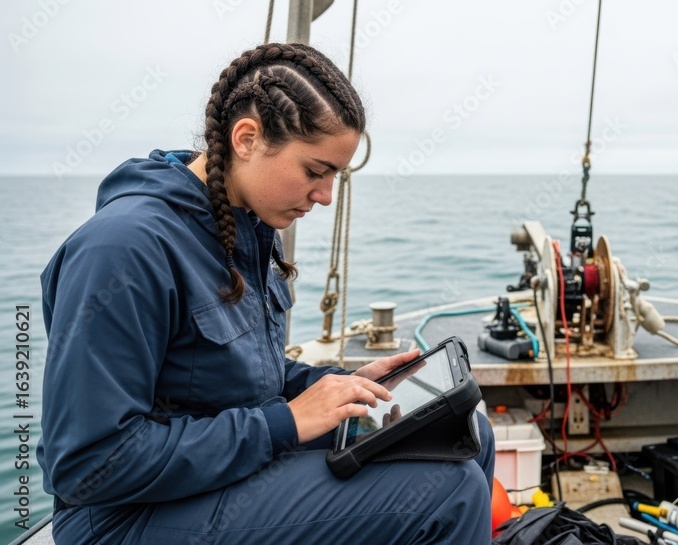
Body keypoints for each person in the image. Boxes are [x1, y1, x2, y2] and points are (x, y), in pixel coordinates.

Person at [38, 43, 495, 544]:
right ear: (247, 138)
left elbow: (240, 379)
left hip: (217, 471)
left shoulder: (248, 227)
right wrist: (285, 423)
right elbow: (89, 464)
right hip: (126, 518)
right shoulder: (123, 248)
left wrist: (341, 384)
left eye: (334, 176)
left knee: (464, 431)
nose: (324, 196)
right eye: (315, 171)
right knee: (448, 489)